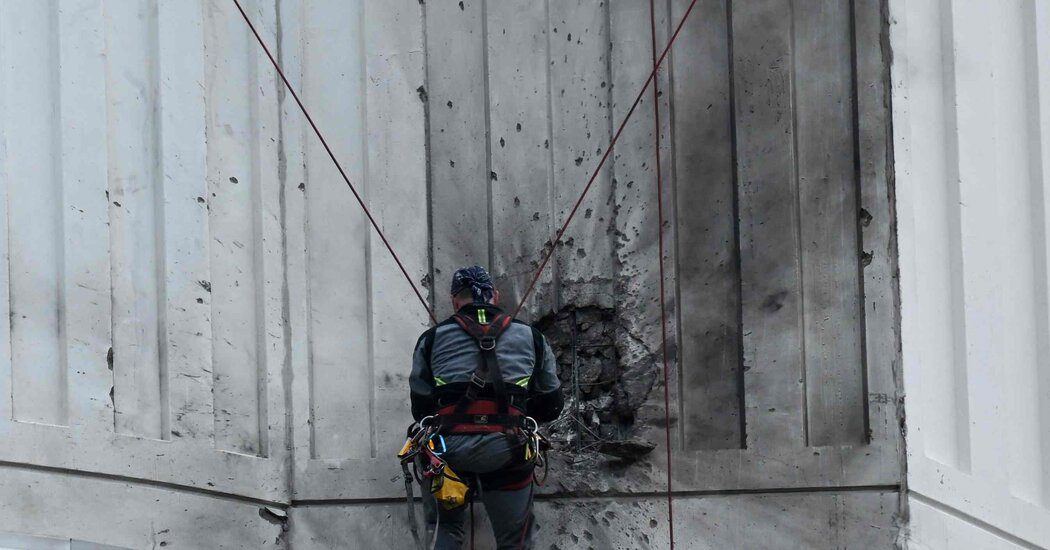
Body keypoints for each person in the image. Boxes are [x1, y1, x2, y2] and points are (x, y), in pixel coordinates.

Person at [409, 265, 563, 550]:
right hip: (508, 448)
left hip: (447, 450)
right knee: (516, 540)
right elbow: (552, 403)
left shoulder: (431, 339)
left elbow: (421, 406)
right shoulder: (532, 338)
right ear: (495, 295)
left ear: (455, 299)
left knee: (445, 529)